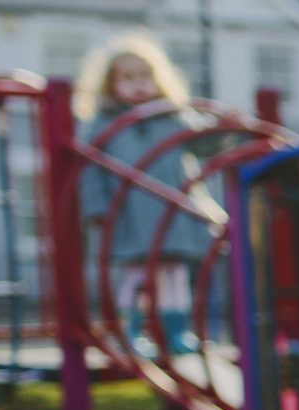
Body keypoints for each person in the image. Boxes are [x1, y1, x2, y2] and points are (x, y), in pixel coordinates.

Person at [76, 33, 216, 356]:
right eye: (127, 78)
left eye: (145, 76)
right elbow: (90, 170)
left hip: (172, 212)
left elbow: (204, 143)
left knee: (174, 273)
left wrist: (224, 131)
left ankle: (176, 331)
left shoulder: (172, 116)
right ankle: (131, 330)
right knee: (137, 273)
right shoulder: (103, 124)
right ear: (110, 84)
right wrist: (97, 209)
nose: (138, 84)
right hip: (131, 213)